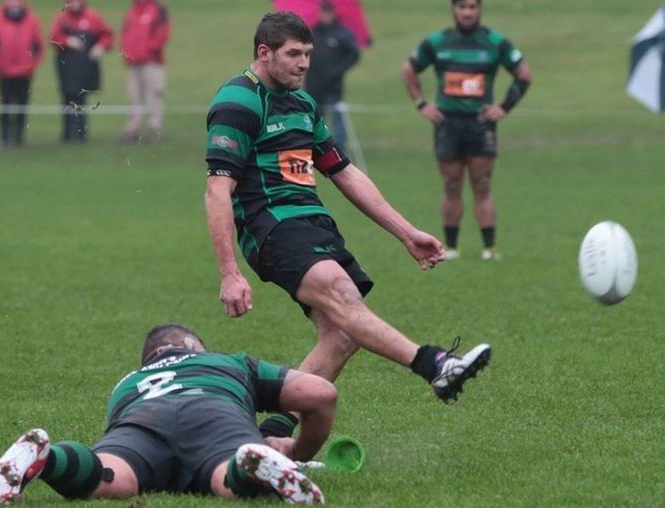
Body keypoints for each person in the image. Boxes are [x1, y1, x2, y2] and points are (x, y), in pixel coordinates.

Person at [205, 11, 492, 440]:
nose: (304, 64)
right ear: (264, 54)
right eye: (294, 55)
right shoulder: (238, 100)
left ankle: (266, 436)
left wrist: (406, 232)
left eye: (308, 55)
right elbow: (216, 191)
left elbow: (344, 173)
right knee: (343, 295)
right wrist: (230, 273)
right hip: (271, 227)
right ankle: (436, 365)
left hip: (315, 224)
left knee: (341, 336)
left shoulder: (303, 104)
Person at [0, 323, 334, 505]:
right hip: (212, 412)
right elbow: (319, 393)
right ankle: (247, 463)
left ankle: (48, 458)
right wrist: (298, 452)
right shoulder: (225, 362)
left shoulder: (127, 383)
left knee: (112, 477)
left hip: (142, 420)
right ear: (193, 346)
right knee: (226, 478)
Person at [401, 0, 532, 261]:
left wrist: (504, 107)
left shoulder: (495, 42)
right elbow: (409, 69)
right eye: (462, 7)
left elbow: (524, 74)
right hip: (447, 123)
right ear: (453, 9)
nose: (467, 12)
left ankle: (489, 248)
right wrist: (421, 104)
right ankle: (450, 247)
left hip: (480, 123)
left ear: (480, 9)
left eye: (472, 7)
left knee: (482, 184)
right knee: (451, 185)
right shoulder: (438, 42)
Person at [0, 0, 44, 148]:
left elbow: (38, 46)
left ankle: (19, 138)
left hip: (25, 72)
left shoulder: (31, 19)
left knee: (22, 104)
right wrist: (0, 62)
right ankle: (3, 138)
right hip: (4, 72)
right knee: (5, 105)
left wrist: (30, 63)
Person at [50, 0, 113, 143]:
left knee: (81, 98)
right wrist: (67, 40)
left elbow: (107, 36)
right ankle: (67, 133)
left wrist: (100, 46)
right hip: (67, 66)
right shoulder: (62, 18)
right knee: (67, 97)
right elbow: (54, 37)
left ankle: (81, 133)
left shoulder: (93, 17)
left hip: (85, 67)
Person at [305, 0, 360, 149]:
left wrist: (338, 69)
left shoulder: (342, 33)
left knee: (337, 119)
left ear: (333, 13)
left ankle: (338, 149)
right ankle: (315, 147)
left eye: (328, 12)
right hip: (314, 84)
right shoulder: (312, 33)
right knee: (315, 118)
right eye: (323, 12)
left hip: (333, 86)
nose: (325, 16)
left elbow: (354, 54)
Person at [118, 0, 171, 144]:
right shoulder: (133, 9)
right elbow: (126, 32)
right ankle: (133, 128)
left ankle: (155, 128)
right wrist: (127, 52)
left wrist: (148, 50)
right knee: (134, 96)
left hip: (151, 61)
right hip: (133, 62)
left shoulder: (158, 9)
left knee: (154, 94)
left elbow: (162, 33)